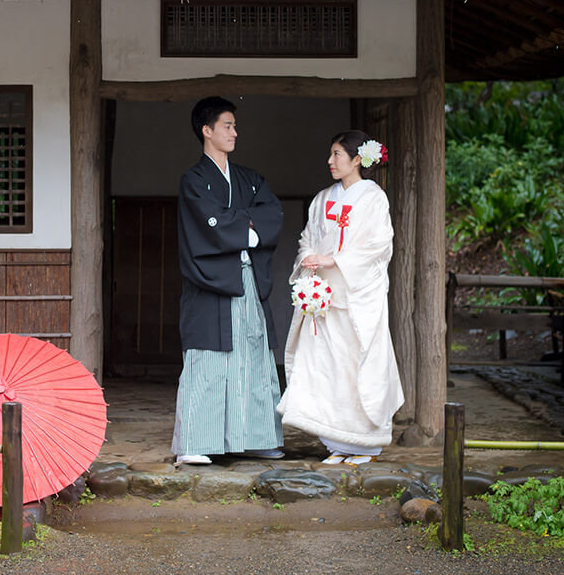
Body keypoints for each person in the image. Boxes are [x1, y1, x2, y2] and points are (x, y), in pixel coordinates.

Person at [277, 130, 404, 465]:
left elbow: (379, 245)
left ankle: (364, 443)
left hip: (356, 296)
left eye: (336, 154)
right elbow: (308, 237)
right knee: (327, 369)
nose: (330, 161)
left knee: (355, 367)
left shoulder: (374, 198)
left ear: (357, 159)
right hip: (325, 299)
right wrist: (310, 260)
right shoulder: (322, 198)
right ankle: (337, 442)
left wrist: (335, 261)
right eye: (330, 154)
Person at [172, 96, 285, 466]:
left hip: (247, 280)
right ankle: (194, 442)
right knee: (208, 361)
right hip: (210, 287)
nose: (235, 132)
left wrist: (236, 225)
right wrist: (245, 227)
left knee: (253, 356)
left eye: (235, 126)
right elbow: (209, 223)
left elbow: (270, 214)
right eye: (227, 126)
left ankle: (257, 437)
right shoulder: (194, 180)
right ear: (207, 131)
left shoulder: (249, 179)